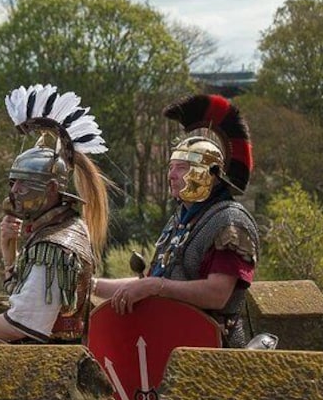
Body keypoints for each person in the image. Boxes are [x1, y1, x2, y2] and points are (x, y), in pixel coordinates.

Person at [92, 93, 259, 348]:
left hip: (212, 349)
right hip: (167, 340)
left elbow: (217, 294)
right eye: (170, 167)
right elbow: (149, 283)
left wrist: (155, 286)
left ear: (208, 174)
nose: (171, 175)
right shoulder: (180, 220)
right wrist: (92, 285)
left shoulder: (230, 222)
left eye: (181, 167)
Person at [0, 84, 110, 344]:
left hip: (51, 367)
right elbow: (25, 295)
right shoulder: (61, 227)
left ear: (51, 189)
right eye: (12, 182)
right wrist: (9, 250)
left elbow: (23, 323)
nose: (14, 190)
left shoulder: (55, 245)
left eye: (23, 183)